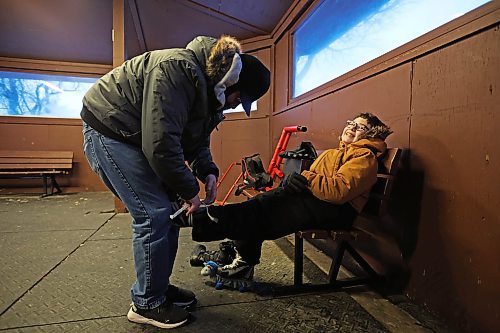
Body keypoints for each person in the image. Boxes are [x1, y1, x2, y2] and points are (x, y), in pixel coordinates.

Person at [81, 35, 270, 329]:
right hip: (110, 130)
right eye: (239, 98)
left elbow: (195, 140)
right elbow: (161, 144)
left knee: (170, 213)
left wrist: (208, 171)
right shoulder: (177, 69)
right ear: (232, 82)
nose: (235, 105)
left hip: (136, 137)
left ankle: (157, 287)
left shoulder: (210, 91)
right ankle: (146, 303)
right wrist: (189, 190)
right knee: (153, 214)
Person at [173, 113, 392, 289]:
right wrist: (295, 183)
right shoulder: (332, 154)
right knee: (264, 204)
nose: (351, 127)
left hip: (338, 211)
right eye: (350, 123)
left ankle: (207, 223)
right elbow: (317, 184)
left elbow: (339, 192)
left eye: (359, 127)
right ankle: (226, 241)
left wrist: (305, 178)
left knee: (266, 211)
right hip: (319, 204)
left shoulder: (365, 158)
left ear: (370, 134)